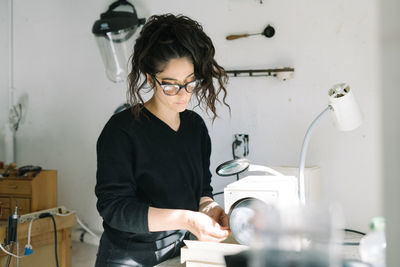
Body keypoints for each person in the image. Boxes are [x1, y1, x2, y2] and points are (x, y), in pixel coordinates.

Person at [95, 14, 231, 267]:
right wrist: (187, 220)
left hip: (181, 251)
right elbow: (115, 209)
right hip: (128, 257)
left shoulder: (195, 127)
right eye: (171, 85)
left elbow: (202, 190)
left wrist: (208, 208)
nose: (183, 94)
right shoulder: (121, 131)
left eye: (191, 83)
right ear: (150, 79)